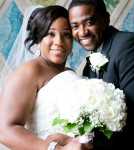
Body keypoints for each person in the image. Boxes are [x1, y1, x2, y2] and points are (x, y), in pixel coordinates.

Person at [0, 5, 93, 150]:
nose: (59, 42)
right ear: (39, 38)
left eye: (66, 34)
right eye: (51, 34)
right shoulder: (29, 71)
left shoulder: (68, 72)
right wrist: (57, 149)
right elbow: (4, 131)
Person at [68, 0, 134, 149]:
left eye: (89, 22)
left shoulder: (129, 45)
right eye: (75, 26)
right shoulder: (89, 67)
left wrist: (88, 145)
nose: (82, 32)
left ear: (105, 18)